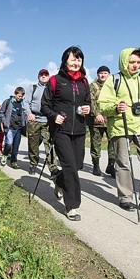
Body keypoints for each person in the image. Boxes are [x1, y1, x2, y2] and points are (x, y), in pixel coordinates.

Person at [99, 48, 140, 217]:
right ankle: (125, 197)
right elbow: (103, 103)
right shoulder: (114, 79)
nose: (135, 65)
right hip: (122, 126)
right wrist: (115, 107)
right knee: (123, 162)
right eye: (132, 62)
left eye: (138, 62)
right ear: (124, 61)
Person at [41, 46, 91, 221]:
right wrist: (54, 116)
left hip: (79, 130)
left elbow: (88, 103)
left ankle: (59, 182)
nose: (76, 62)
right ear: (65, 61)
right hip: (60, 130)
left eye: (79, 59)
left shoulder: (84, 82)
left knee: (77, 166)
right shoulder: (55, 81)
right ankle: (72, 207)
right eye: (73, 59)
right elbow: (44, 106)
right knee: (70, 167)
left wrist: (88, 109)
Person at [24, 69, 59, 177]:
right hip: (34, 119)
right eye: (41, 75)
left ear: (49, 77)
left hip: (48, 120)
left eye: (46, 75)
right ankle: (33, 164)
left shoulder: (52, 88)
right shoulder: (32, 88)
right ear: (38, 76)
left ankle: (53, 168)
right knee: (33, 144)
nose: (43, 76)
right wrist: (29, 113)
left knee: (50, 145)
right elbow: (26, 102)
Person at [88, 65, 116, 177]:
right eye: (101, 73)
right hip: (97, 120)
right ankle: (96, 165)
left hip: (110, 120)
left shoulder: (112, 86)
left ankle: (111, 165)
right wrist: (97, 114)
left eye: (105, 73)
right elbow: (91, 101)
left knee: (113, 143)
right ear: (97, 74)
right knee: (96, 143)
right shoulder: (93, 86)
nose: (103, 75)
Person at [0, 88, 27, 169]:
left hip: (18, 128)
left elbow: (24, 115)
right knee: (8, 144)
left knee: (16, 147)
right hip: (10, 127)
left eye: (21, 96)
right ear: (15, 93)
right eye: (18, 96)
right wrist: (4, 122)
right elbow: (1, 113)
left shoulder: (22, 104)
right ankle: (5, 155)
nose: (20, 98)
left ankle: (13, 161)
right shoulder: (7, 102)